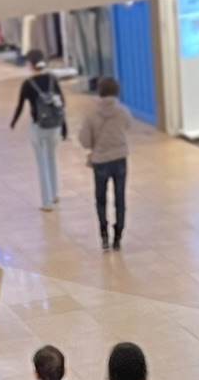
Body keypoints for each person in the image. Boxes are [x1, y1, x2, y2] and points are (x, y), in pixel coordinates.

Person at [79, 75, 132, 249]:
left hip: (101, 161)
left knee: (101, 198)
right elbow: (128, 126)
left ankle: (103, 233)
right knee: (120, 198)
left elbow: (85, 141)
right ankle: (118, 234)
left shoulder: (91, 115)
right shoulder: (123, 112)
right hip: (120, 158)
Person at [10, 50, 67, 211]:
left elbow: (20, 106)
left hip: (38, 126)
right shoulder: (52, 79)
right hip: (55, 126)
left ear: (30, 64)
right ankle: (55, 193)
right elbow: (61, 103)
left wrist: (13, 122)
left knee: (42, 162)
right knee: (52, 158)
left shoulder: (28, 84)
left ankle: (47, 202)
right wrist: (64, 126)